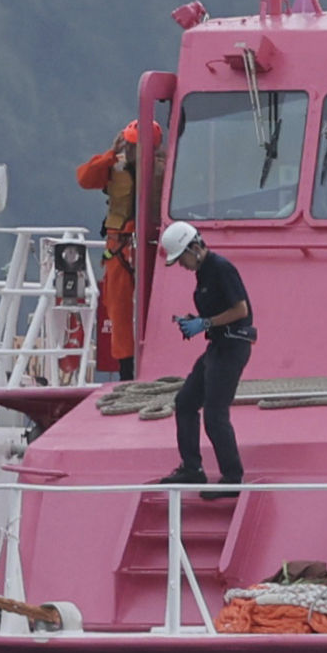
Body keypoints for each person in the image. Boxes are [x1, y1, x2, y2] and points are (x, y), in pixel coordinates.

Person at [157, 215, 254, 487]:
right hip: (219, 345)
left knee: (214, 413)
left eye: (181, 259)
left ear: (193, 248)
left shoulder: (221, 268)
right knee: (186, 402)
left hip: (233, 347)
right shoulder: (203, 273)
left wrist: (205, 323)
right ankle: (192, 468)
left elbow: (240, 310)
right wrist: (193, 321)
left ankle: (233, 478)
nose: (182, 266)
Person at [73, 117, 148, 378]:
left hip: (153, 245)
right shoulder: (112, 167)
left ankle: (157, 361)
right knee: (118, 309)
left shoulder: (165, 167)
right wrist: (110, 155)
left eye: (135, 146)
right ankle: (126, 370)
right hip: (118, 247)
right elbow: (84, 178)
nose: (132, 151)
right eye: (129, 146)